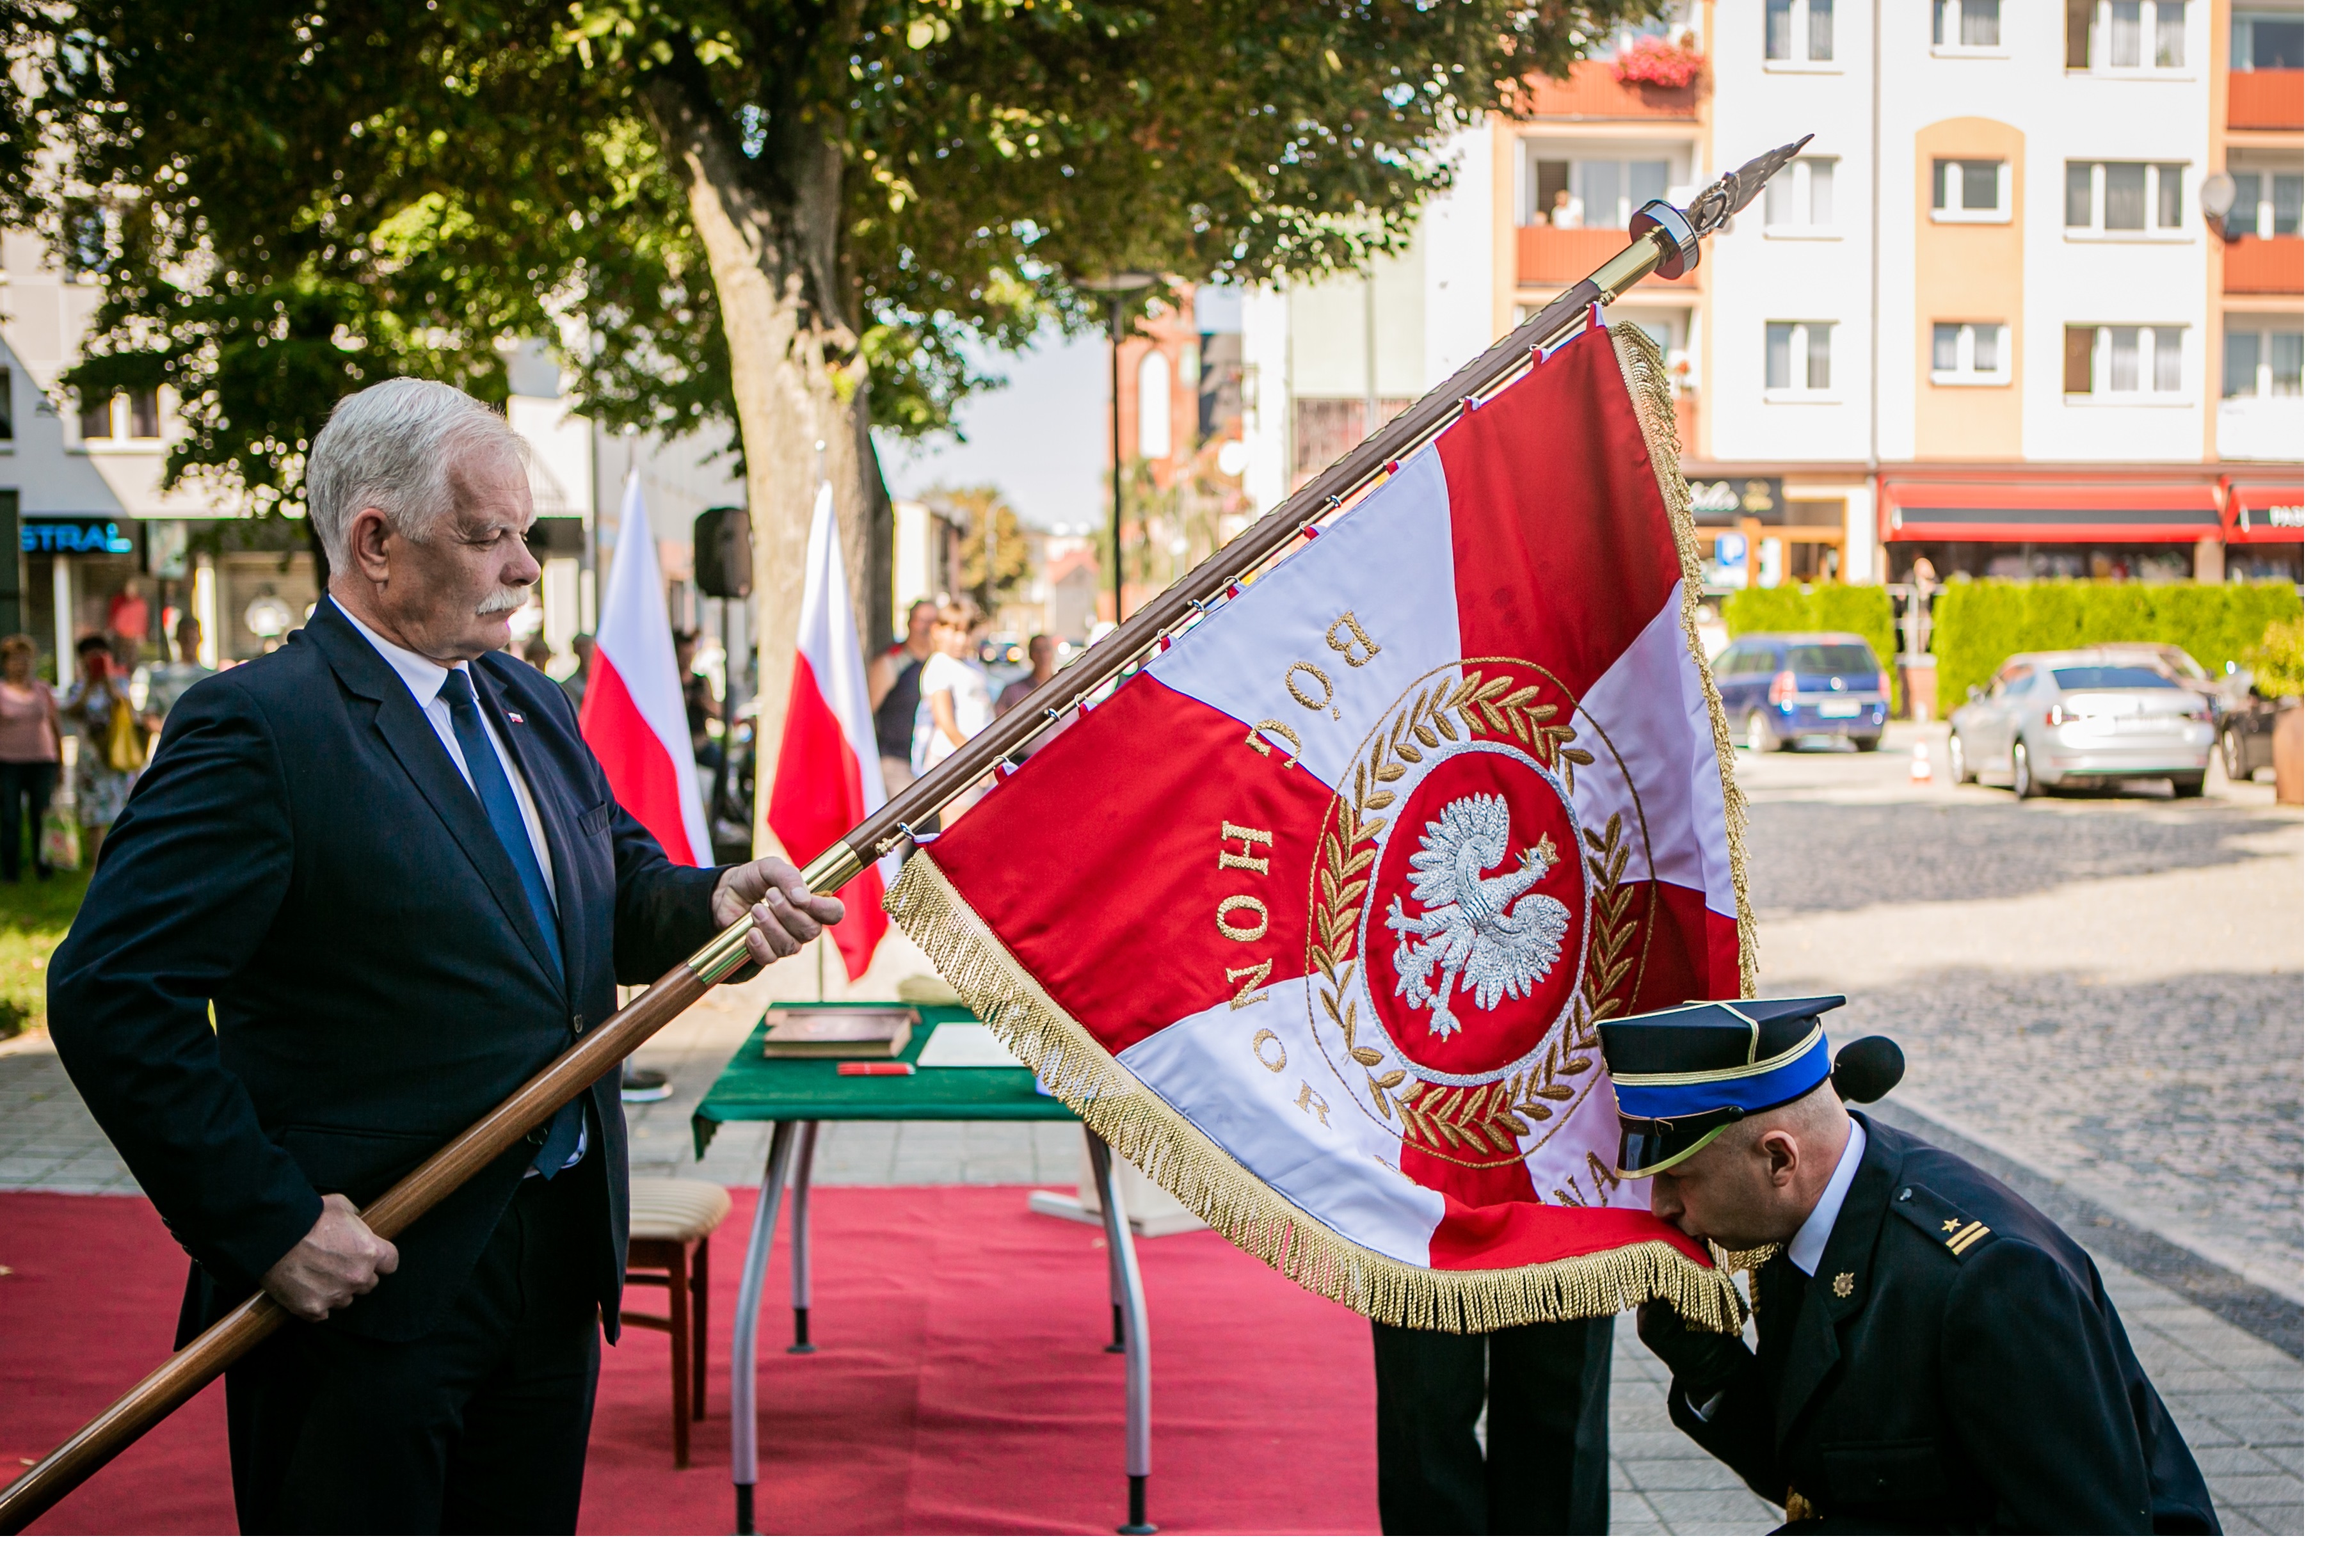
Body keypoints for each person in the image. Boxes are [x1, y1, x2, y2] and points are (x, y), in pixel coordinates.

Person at [47, 378, 845, 1534]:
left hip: (556, 1256)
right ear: (377, 541)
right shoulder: (261, 726)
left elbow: (610, 893)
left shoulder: (529, 701)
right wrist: (266, 1223)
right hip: (366, 1285)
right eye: (491, 536)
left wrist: (714, 898)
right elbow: (114, 993)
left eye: (526, 534)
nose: (525, 568)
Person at [1603, 996, 2218, 1535]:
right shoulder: (1792, 1224)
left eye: (1679, 1177)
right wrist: (1715, 1372)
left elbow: (2086, 1532)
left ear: (1779, 1160)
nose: (1662, 1208)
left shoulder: (1989, 1283)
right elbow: (1821, 1478)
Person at [60, 633, 141, 863]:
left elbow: (129, 713)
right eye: (90, 654)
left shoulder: (121, 685)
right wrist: (89, 687)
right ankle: (97, 864)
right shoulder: (77, 688)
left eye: (100, 654)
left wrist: (108, 683)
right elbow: (70, 712)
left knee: (120, 811)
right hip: (90, 759)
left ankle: (120, 861)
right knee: (93, 814)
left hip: (116, 757)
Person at [911, 603, 993, 827]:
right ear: (938, 630)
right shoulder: (940, 665)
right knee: (957, 831)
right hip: (952, 762)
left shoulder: (973, 667)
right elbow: (945, 722)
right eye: (955, 631)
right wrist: (978, 762)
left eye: (966, 632)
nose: (961, 639)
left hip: (977, 761)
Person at [0, 634, 62, 883]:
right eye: (15, 660)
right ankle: (10, 872)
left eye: (25, 659)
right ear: (5, 663)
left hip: (43, 762)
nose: (21, 665)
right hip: (8, 763)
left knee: (42, 815)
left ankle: (44, 867)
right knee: (10, 817)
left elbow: (56, 726)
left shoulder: (43, 689)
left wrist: (60, 763)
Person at [868, 598, 936, 799]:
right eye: (923, 620)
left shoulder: (940, 663)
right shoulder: (892, 662)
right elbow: (868, 711)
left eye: (934, 621)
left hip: (932, 763)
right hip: (897, 763)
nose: (928, 627)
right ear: (910, 623)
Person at [141, 615, 216, 733]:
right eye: (185, 637)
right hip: (173, 745)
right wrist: (170, 736)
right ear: (177, 639)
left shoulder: (213, 678)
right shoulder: (160, 677)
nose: (189, 641)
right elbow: (149, 716)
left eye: (192, 636)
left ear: (199, 639)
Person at [559, 632, 594, 714]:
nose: (586, 653)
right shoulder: (569, 685)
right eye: (582, 648)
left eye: (589, 647)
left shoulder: (603, 681)